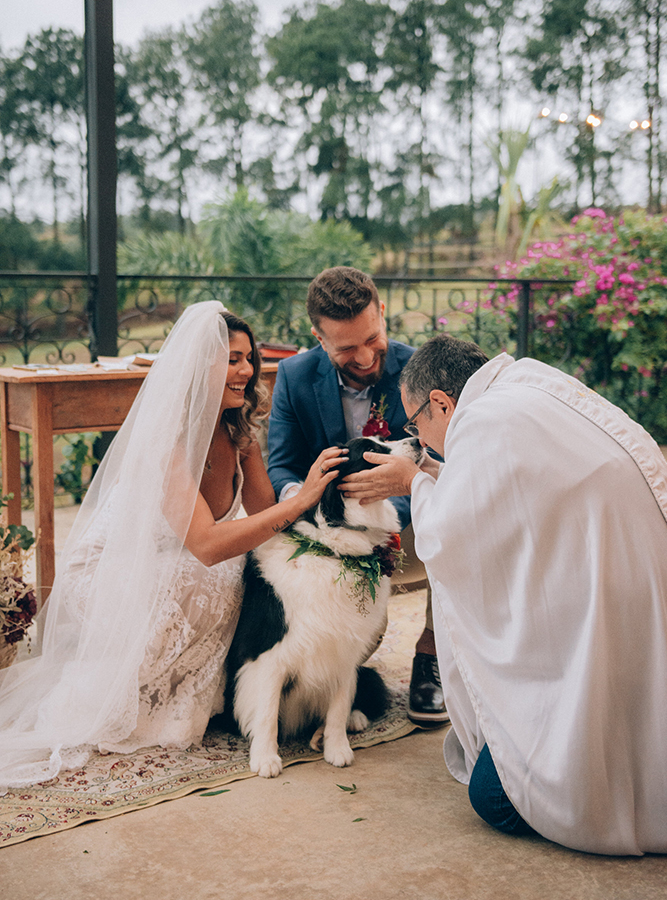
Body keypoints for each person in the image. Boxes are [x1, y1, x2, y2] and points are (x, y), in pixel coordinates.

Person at [342, 332, 667, 855]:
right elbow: (503, 496)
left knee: (492, 796)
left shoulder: (486, 421)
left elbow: (452, 538)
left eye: (417, 422)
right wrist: (427, 474)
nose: (419, 438)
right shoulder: (528, 385)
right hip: (632, 586)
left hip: (597, 608)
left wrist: (413, 482)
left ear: (443, 403)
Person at [0, 301, 346, 790]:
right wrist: (304, 497)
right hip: (112, 571)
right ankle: (133, 693)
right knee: (212, 570)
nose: (245, 370)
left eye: (248, 358)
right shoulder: (170, 441)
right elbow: (205, 544)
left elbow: (270, 512)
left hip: (183, 561)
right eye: (230, 359)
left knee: (244, 565)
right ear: (195, 366)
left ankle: (216, 691)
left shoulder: (238, 427)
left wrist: (320, 513)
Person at [267, 266, 447, 723]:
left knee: (461, 527)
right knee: (361, 640)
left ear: (381, 313)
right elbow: (282, 465)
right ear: (319, 337)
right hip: (332, 535)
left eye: (373, 337)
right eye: (347, 347)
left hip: (409, 523)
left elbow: (453, 460)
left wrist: (392, 506)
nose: (366, 357)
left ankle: (431, 655)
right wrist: (309, 506)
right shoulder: (293, 375)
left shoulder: (423, 369)